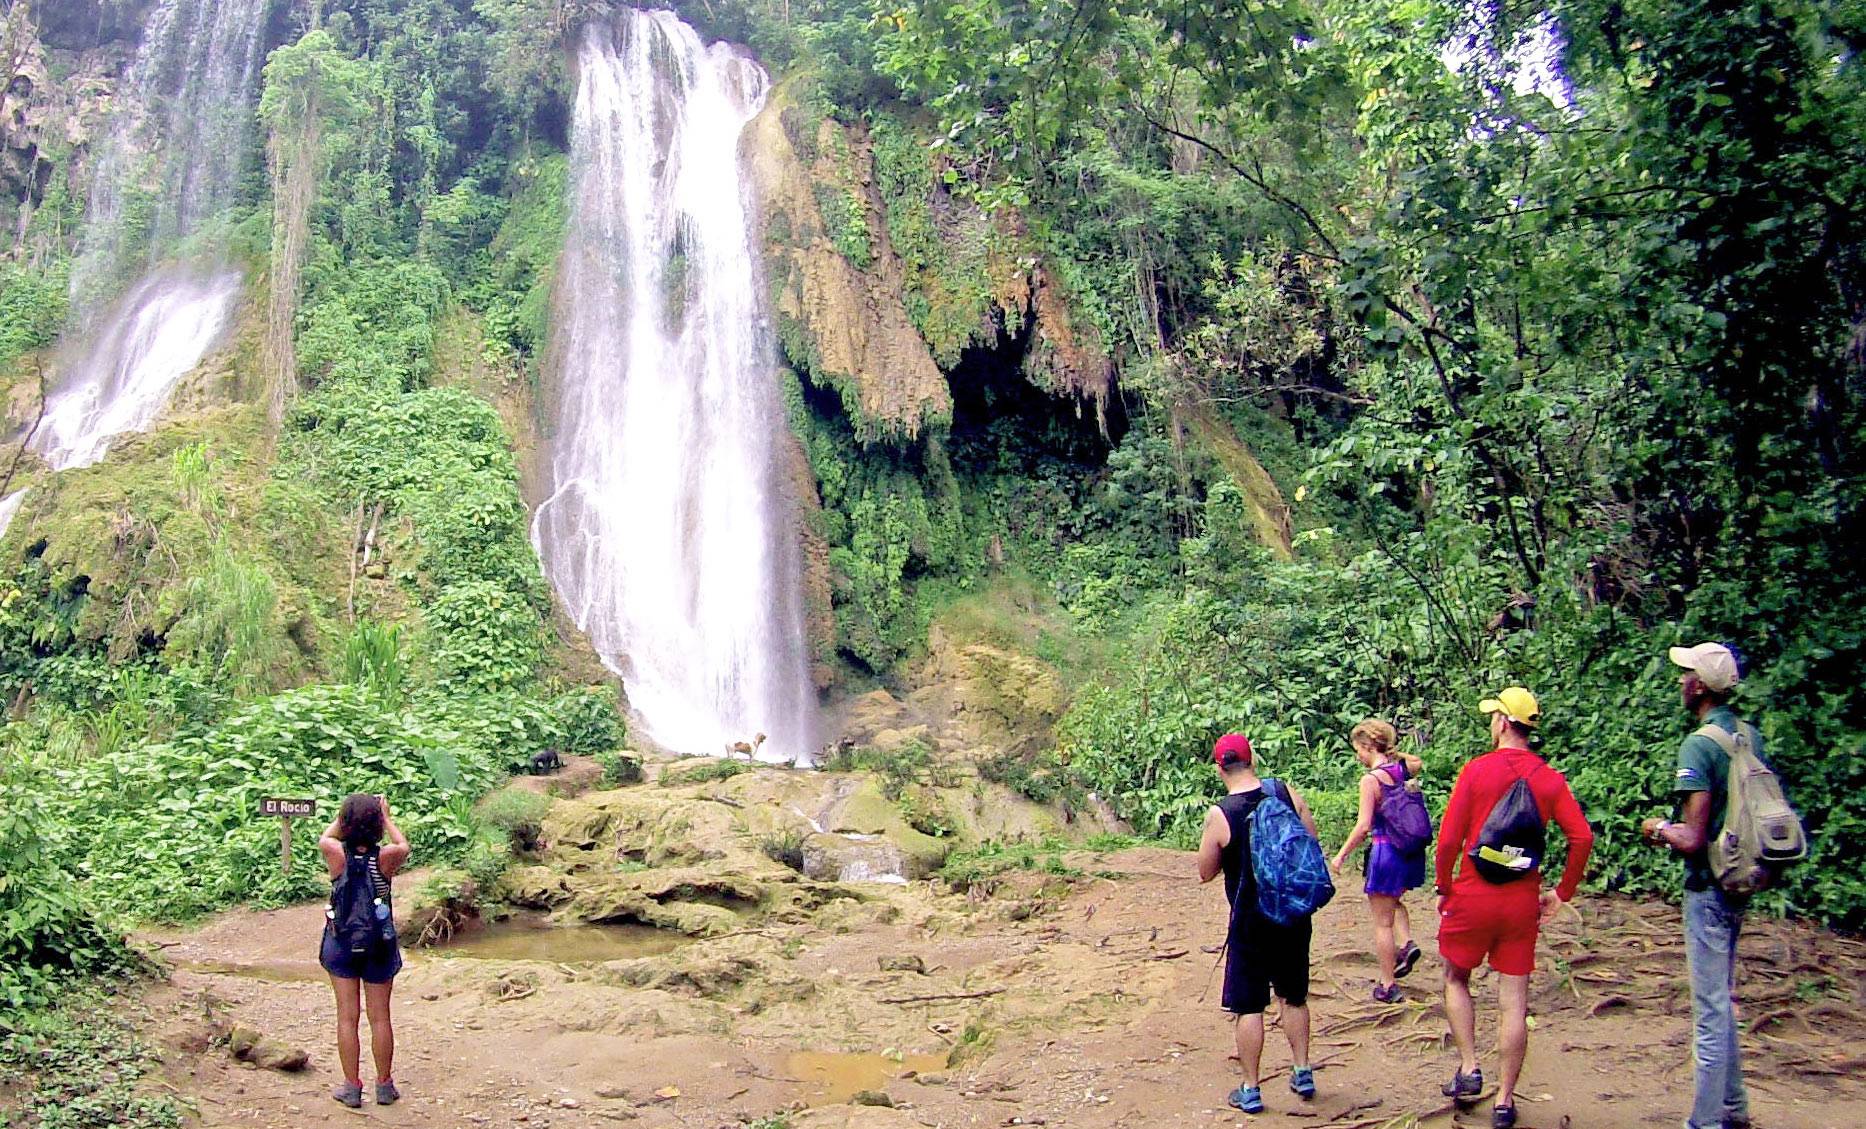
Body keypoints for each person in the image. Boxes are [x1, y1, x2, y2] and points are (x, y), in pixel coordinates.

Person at [1434, 688, 1594, 1129]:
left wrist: (1444, 886)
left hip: (1472, 893)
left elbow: (1448, 841)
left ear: (1503, 722)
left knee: (1455, 976)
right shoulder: (1550, 779)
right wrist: (1562, 893)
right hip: (1521, 901)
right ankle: (1504, 1101)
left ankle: (1469, 1068)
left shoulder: (1476, 771)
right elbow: (1581, 838)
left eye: (1493, 717)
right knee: (1514, 1002)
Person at [1641, 643, 1753, 1129]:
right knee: (1721, 998)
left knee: (1709, 1008)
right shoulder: (1746, 736)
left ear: (1700, 686)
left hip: (1708, 884)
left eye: (1685, 674)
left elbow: (1692, 836)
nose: (1679, 681)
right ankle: (1733, 1108)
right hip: (1742, 879)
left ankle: (1705, 1122)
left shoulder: (1700, 744)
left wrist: (1656, 829)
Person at [1196, 733, 1322, 1114]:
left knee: (1250, 1005)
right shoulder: (1283, 792)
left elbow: (1205, 871)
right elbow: (1309, 840)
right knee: (1294, 994)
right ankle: (1302, 1071)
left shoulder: (1222, 813)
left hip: (1251, 921)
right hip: (1292, 914)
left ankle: (1250, 1088)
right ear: (1252, 760)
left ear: (1220, 768)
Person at [318, 793, 411, 1109]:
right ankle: (384, 1085)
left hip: (341, 942)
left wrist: (344, 818)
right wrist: (385, 817)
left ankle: (352, 1087)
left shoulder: (335, 854)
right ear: (377, 825)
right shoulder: (386, 858)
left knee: (347, 1017)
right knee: (380, 1017)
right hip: (378, 945)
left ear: (344, 823)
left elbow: (327, 836)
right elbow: (404, 846)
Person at [1330, 719, 1427, 1002]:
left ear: (1367, 746)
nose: (1358, 756)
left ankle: (1387, 984)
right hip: (1407, 852)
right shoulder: (1402, 769)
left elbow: (1363, 826)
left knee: (1382, 922)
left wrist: (1340, 856)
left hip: (1385, 851)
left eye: (1358, 749)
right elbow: (1417, 762)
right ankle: (1406, 942)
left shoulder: (1370, 780)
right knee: (1394, 902)